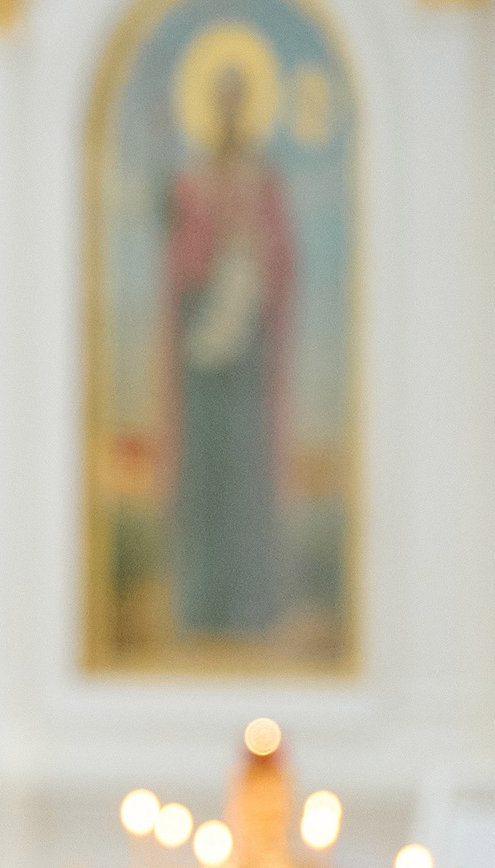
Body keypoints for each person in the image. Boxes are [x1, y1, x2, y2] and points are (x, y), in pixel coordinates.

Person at [163, 62, 295, 639]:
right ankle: (200, 606)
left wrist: (253, 248)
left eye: (238, 98)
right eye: (220, 98)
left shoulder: (262, 180)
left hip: (246, 358)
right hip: (200, 356)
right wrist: (208, 240)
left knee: (244, 474)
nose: (229, 110)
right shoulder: (191, 180)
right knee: (204, 475)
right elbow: (179, 266)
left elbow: (282, 259)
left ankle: (250, 605)